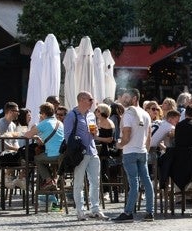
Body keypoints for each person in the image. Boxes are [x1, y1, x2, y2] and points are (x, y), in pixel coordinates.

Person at [113, 88, 154, 223]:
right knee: (147, 182)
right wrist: (145, 150)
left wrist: (119, 145)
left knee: (134, 183)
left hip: (130, 151)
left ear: (134, 98)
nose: (123, 99)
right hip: (142, 151)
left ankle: (128, 212)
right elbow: (149, 137)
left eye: (127, 97)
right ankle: (150, 212)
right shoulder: (146, 114)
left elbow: (126, 134)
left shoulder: (129, 114)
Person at [65, 91, 108, 221]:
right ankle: (80, 211)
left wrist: (96, 131)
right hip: (80, 153)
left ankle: (95, 209)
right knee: (79, 183)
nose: (92, 102)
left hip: (93, 151)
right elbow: (67, 136)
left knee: (95, 181)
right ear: (82, 100)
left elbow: (95, 132)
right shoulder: (72, 115)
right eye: (90, 99)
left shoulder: (91, 115)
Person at [24, 102, 64, 191]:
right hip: (63, 155)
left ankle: (49, 180)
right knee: (46, 160)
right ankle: (54, 179)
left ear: (43, 114)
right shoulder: (59, 123)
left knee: (37, 159)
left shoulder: (44, 123)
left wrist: (35, 136)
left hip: (54, 155)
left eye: (40, 113)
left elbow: (27, 135)